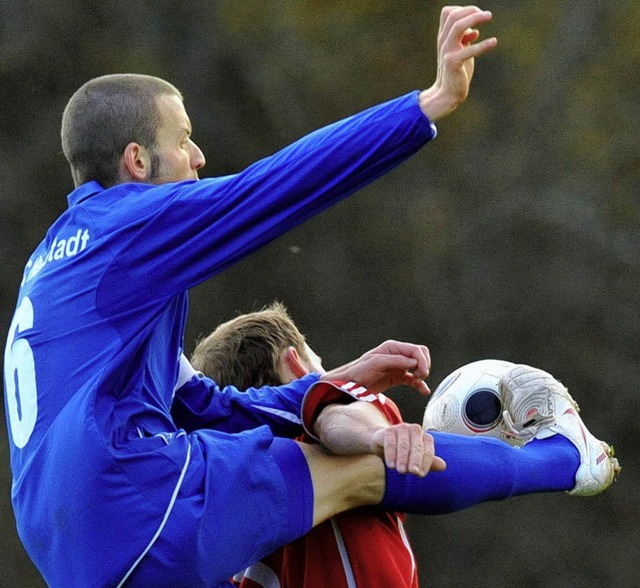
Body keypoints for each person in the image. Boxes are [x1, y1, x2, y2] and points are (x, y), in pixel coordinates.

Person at [5, 6, 591, 587]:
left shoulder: (54, 270)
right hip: (133, 506)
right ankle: (565, 458)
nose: (200, 158)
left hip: (74, 556)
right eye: (183, 140)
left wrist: (334, 379)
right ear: (137, 160)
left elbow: (208, 406)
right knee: (362, 466)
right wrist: (428, 104)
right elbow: (273, 188)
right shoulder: (127, 229)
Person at [188, 302, 620, 587]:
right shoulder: (322, 416)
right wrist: (377, 433)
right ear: (295, 364)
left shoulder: (230, 528)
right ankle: (566, 458)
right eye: (318, 360)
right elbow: (331, 414)